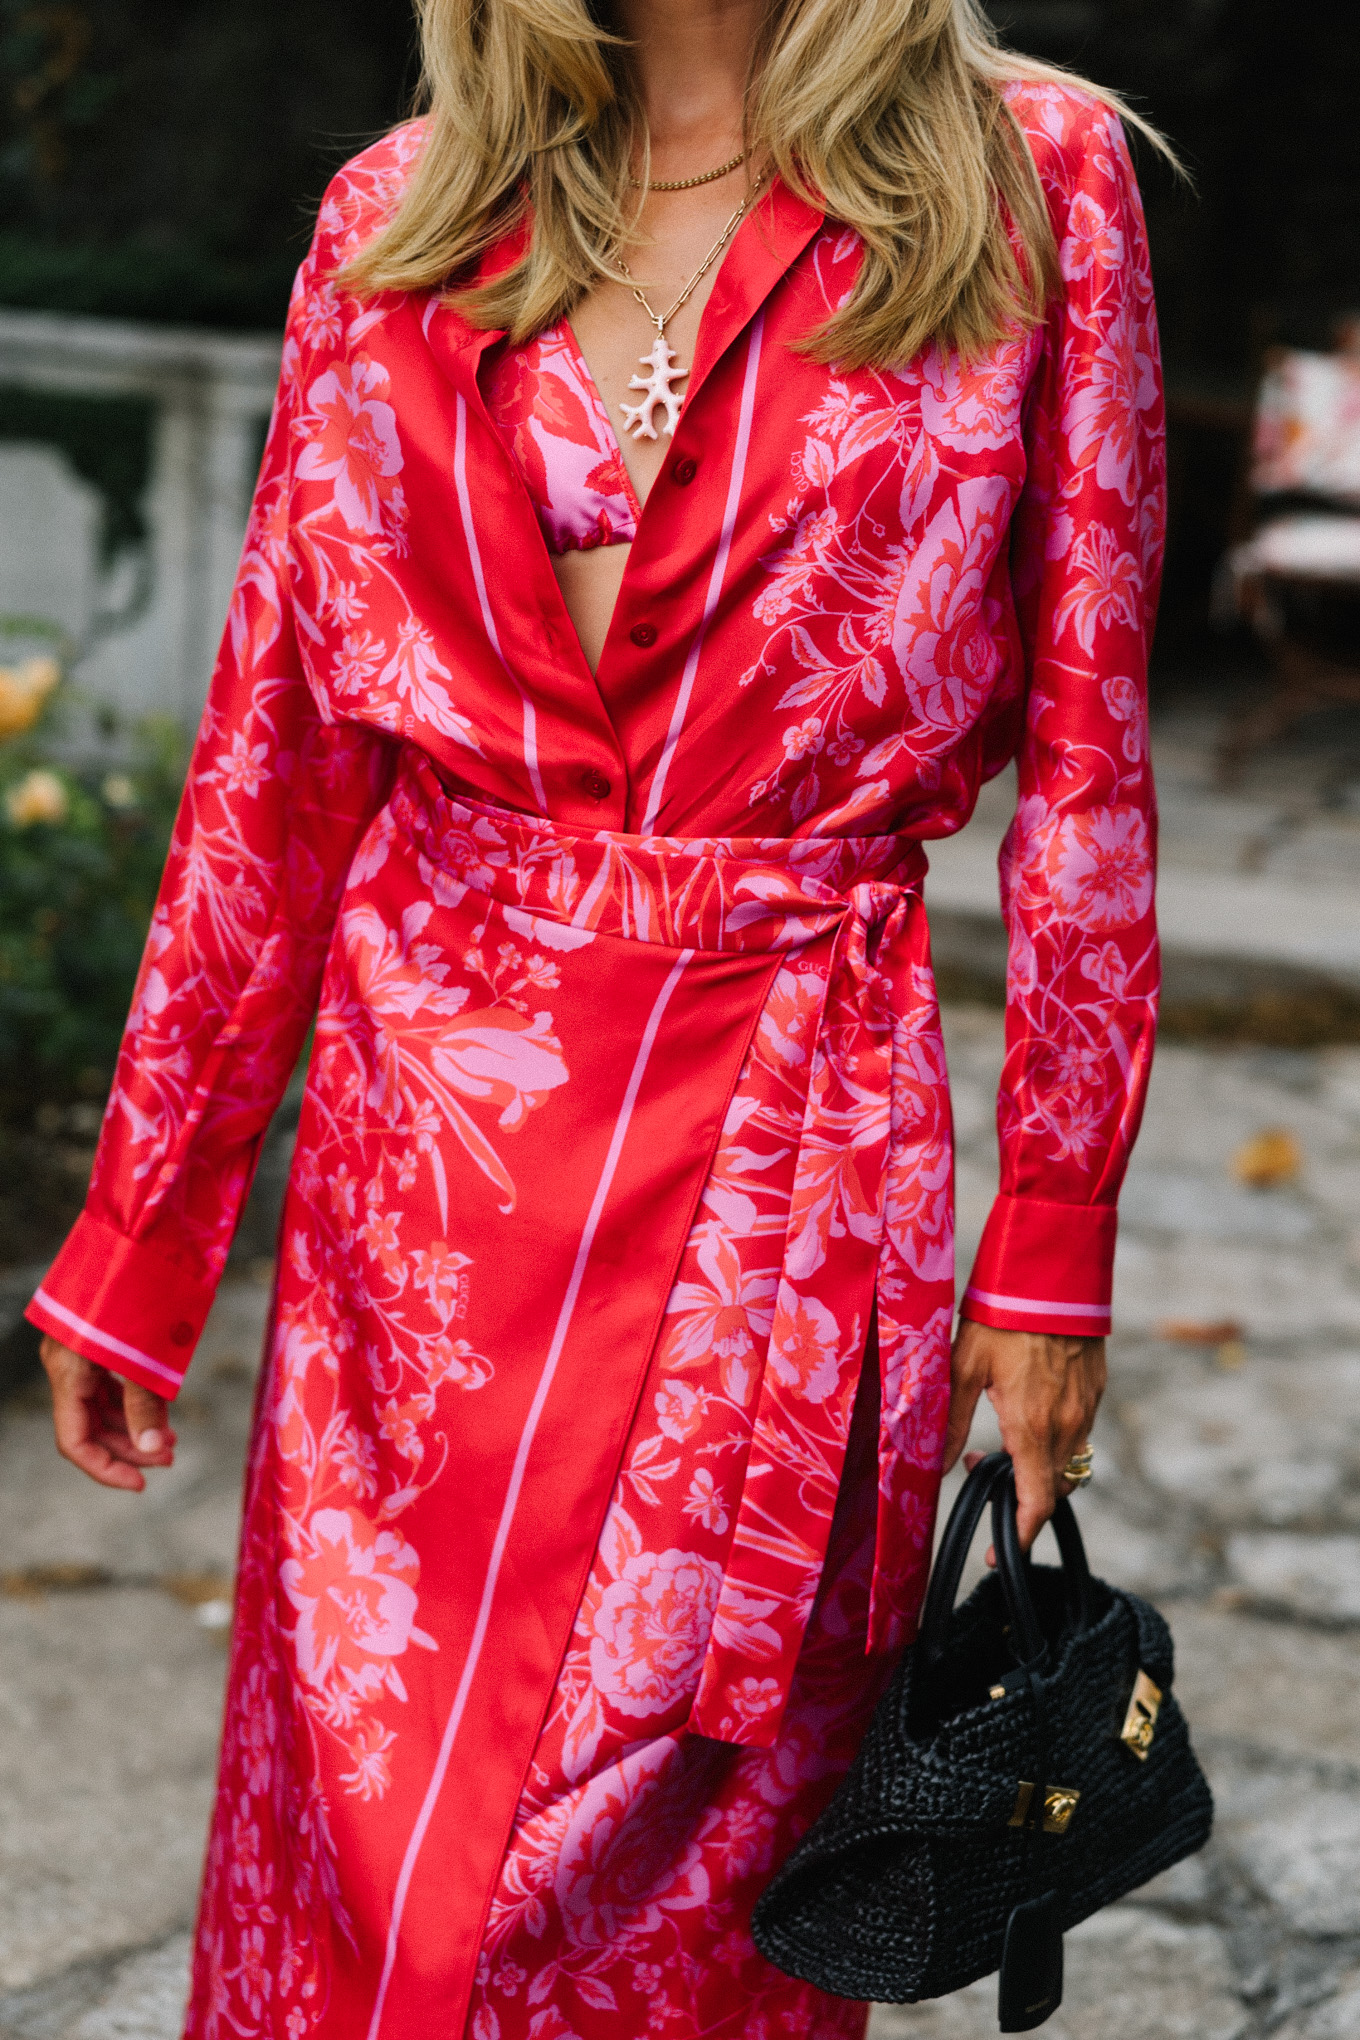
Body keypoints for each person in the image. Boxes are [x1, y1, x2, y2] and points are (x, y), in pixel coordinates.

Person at [29, 0, 1167, 2031]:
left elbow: (1087, 759)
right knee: (359, 1889)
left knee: (663, 1902)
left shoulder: (1030, 189)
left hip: (779, 1178)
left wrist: (1049, 1248)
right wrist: (140, 1236)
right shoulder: (397, 217)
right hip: (419, 1207)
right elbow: (274, 750)